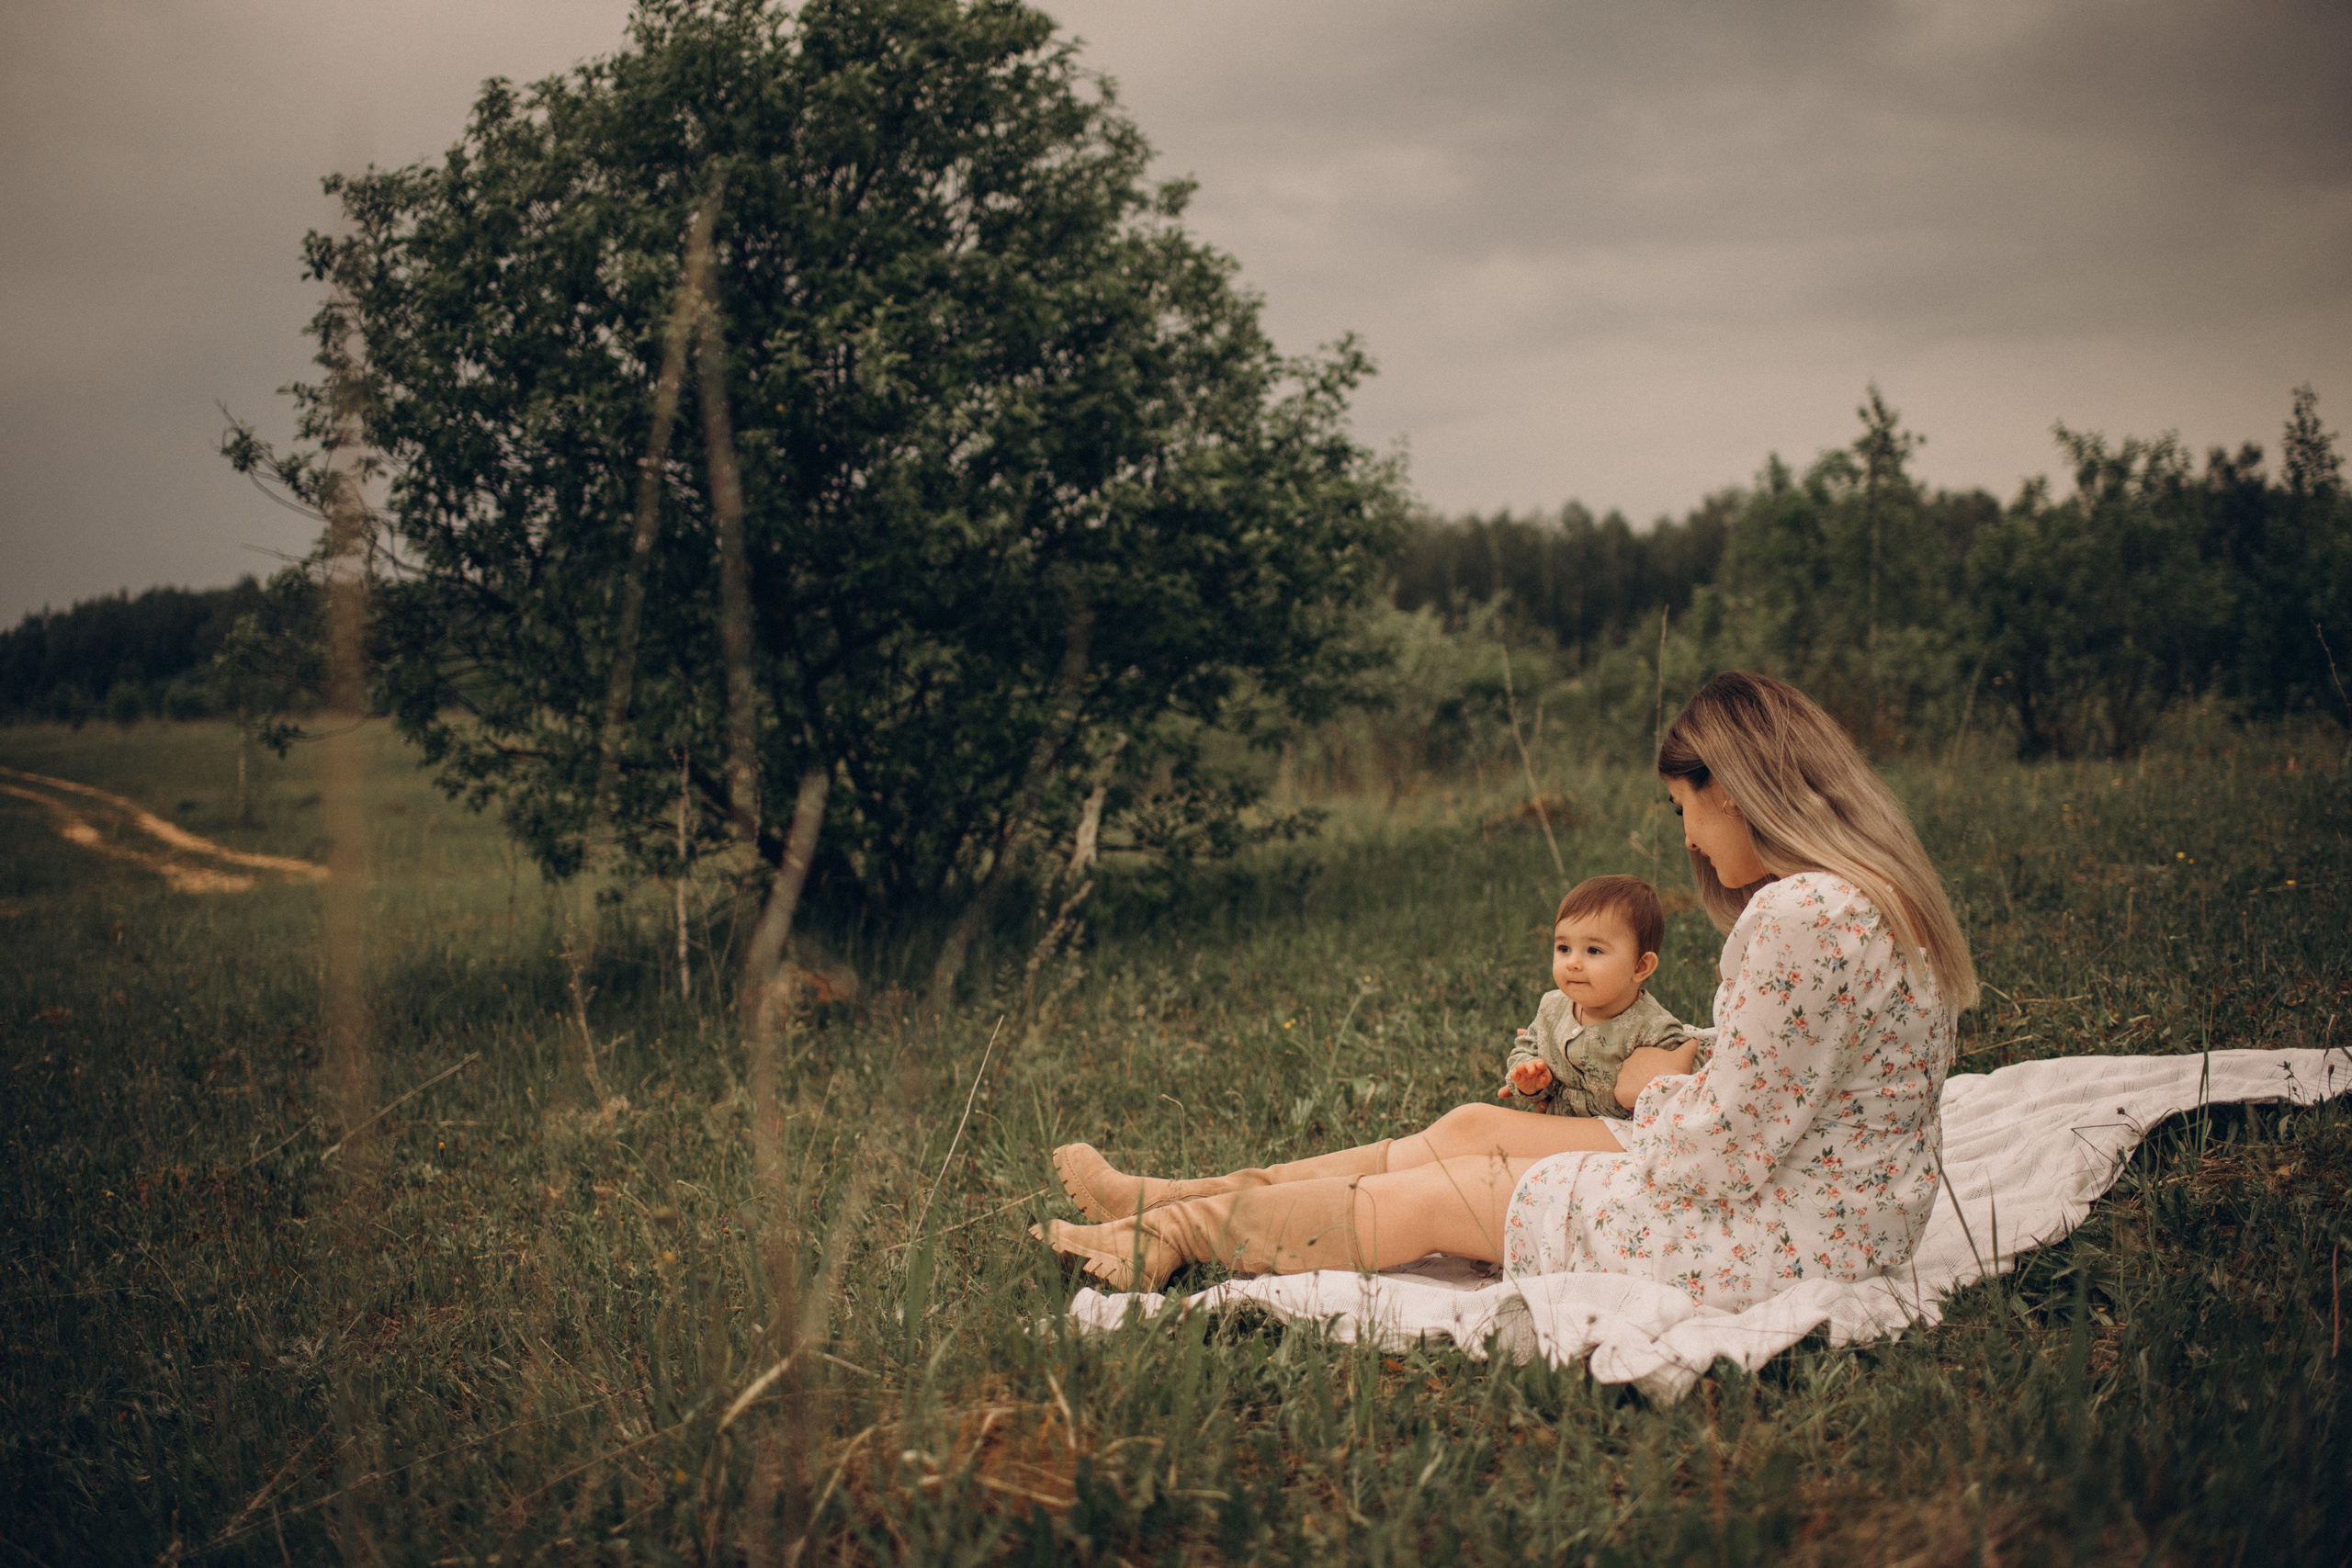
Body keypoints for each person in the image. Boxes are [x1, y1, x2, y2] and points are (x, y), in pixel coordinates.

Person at [1034, 671, 1977, 1313]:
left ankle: (1174, 1235)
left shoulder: (1797, 917)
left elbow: (1720, 1159)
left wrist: (1646, 1084)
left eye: (1683, 806)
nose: (1686, 838)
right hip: (1837, 1210)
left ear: (1730, 790)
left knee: (1452, 1192)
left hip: (1789, 1236)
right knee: (1470, 1128)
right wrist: (1684, 1075)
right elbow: (1781, 1091)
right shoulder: (1862, 896)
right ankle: (1173, 1194)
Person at [1496, 874, 1697, 1120]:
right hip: (1560, 1127)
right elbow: (1527, 1047)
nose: (1573, 963)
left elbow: (1686, 1085)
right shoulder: (1552, 1006)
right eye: (1564, 948)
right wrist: (1530, 1079)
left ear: (1640, 966)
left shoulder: (1652, 1028)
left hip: (1620, 1137)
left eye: (1593, 950)